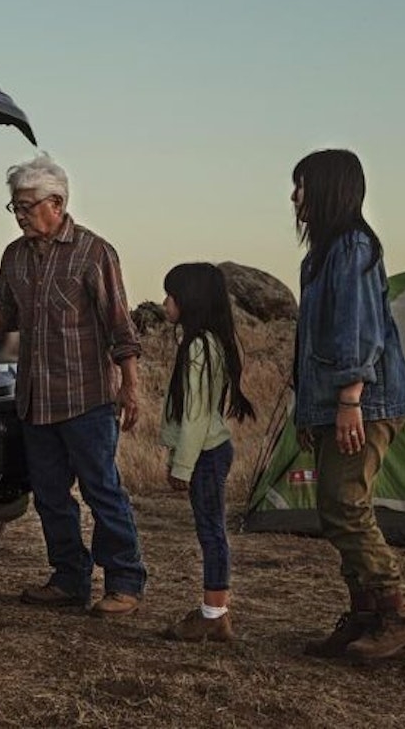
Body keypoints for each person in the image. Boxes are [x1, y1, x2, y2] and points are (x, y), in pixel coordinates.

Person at [0, 153, 148, 617]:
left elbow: (120, 326)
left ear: (57, 202)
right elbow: (6, 314)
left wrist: (129, 389)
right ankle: (69, 579)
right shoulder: (13, 256)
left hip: (87, 396)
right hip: (35, 398)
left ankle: (125, 582)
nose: (20, 215)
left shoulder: (95, 252)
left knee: (101, 491)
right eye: (14, 207)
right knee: (50, 496)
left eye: (26, 206)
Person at [289, 148, 405, 660]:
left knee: (347, 504)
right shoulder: (320, 256)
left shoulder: (353, 247)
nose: (294, 196)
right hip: (334, 400)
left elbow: (358, 328)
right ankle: (364, 615)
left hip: (366, 398)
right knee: (332, 507)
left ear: (327, 189)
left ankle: (395, 614)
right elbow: (310, 340)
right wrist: (309, 411)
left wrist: (348, 400)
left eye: (301, 185)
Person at [154, 263, 257, 642]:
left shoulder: (199, 347)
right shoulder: (209, 342)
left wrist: (182, 465)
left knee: (212, 532)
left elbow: (195, 415)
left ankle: (214, 613)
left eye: (171, 295)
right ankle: (215, 611)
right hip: (210, 450)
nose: (165, 302)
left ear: (190, 300)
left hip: (206, 453)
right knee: (210, 530)